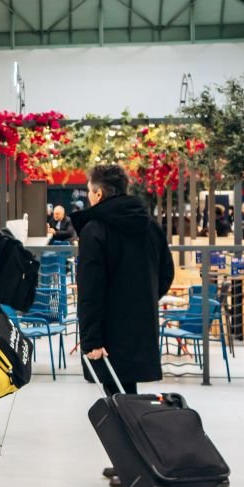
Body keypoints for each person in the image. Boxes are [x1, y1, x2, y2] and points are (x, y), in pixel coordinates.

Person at [71, 163, 173, 409]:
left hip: (107, 330)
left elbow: (90, 289)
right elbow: (166, 273)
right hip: (140, 325)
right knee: (127, 394)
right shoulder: (149, 226)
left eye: (88, 192)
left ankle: (132, 444)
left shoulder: (95, 231)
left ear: (98, 194)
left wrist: (91, 338)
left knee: (117, 399)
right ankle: (134, 442)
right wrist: (143, 297)